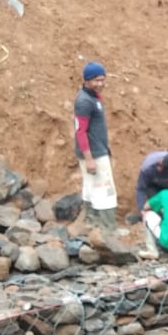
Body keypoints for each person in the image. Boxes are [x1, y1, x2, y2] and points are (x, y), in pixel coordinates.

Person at [73, 61, 119, 230]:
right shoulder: (84, 101)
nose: (100, 84)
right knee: (104, 188)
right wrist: (89, 158)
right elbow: (80, 132)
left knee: (90, 187)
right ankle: (109, 228)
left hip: (98, 149)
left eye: (102, 80)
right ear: (86, 80)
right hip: (94, 153)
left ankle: (91, 224)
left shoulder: (93, 97)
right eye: (96, 80)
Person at [129, 150, 168, 225]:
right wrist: (142, 210)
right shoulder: (148, 167)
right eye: (160, 167)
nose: (159, 169)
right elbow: (141, 189)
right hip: (153, 186)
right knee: (157, 204)